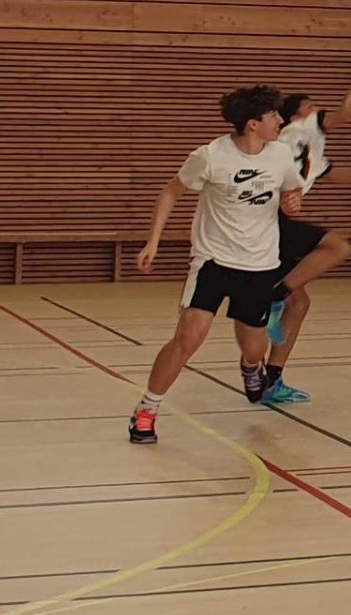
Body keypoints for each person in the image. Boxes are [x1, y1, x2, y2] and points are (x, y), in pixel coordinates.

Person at [128, 86, 307, 443]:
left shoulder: (281, 154)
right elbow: (170, 192)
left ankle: (250, 368)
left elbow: (292, 190)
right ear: (253, 124)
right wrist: (153, 242)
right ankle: (146, 411)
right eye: (273, 115)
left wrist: (293, 201)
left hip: (260, 263)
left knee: (254, 348)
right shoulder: (210, 156)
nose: (280, 120)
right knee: (188, 338)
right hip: (213, 260)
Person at [257, 87, 351, 405]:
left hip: (274, 221)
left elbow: (332, 173)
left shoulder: (307, 145)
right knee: (338, 247)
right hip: (268, 219)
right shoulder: (300, 126)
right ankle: (275, 296)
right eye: (309, 105)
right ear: (295, 115)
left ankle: (272, 380)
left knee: (299, 303)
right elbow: (346, 114)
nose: (316, 109)